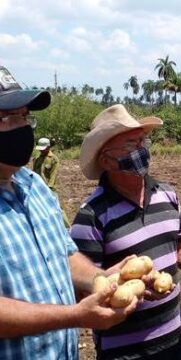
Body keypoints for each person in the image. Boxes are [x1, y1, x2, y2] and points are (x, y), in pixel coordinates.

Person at [0, 66, 137, 359]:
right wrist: (75, 315)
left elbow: (63, 253)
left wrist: (100, 278)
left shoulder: (34, 186)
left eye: (25, 116)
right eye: (9, 117)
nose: (24, 126)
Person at [70, 104, 181, 360]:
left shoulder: (167, 195)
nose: (141, 150)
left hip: (173, 339)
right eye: (131, 145)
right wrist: (129, 284)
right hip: (124, 352)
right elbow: (82, 290)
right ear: (107, 160)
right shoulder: (92, 215)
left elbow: (178, 249)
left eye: (142, 141)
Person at [32, 136, 71, 227]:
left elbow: (53, 176)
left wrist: (48, 188)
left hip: (48, 188)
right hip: (36, 188)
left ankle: (67, 228)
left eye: (43, 149)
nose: (41, 151)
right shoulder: (37, 158)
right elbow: (33, 173)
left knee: (57, 208)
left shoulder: (54, 159)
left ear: (48, 147)